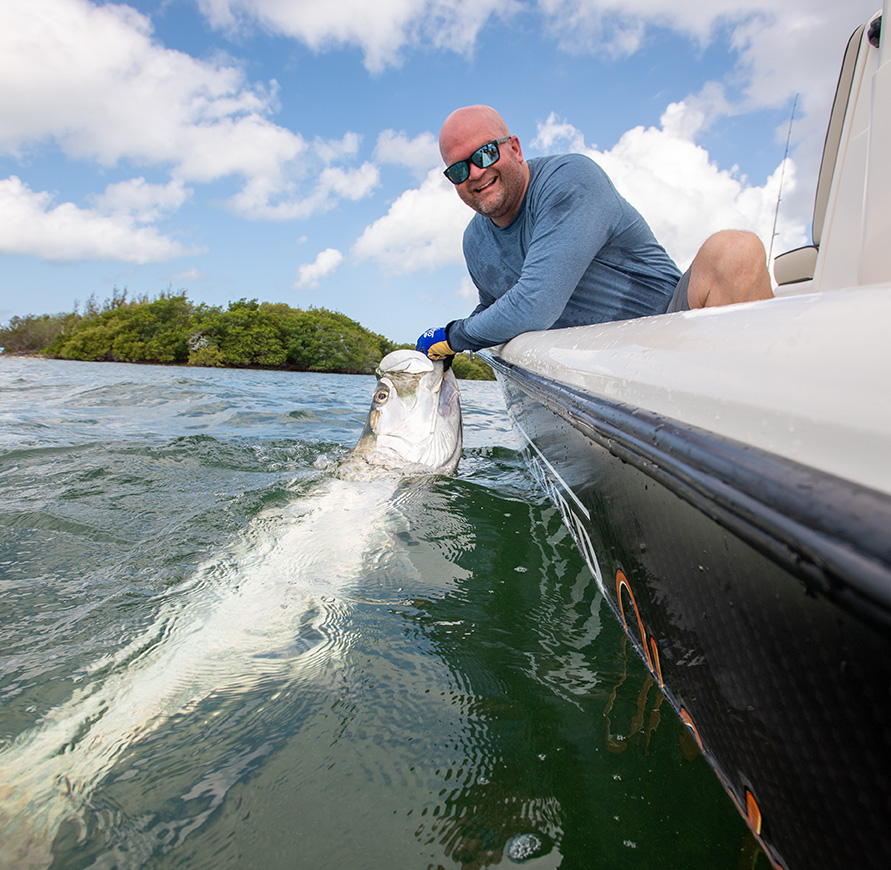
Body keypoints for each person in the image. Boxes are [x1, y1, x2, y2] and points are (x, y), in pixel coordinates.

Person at [416, 105, 773, 360]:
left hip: (672, 332)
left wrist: (453, 336)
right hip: (589, 364)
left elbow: (533, 307)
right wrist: (452, 345)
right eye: (458, 170)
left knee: (735, 249)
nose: (475, 174)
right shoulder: (473, 241)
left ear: (515, 149)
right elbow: (493, 306)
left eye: (485, 154)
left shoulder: (570, 179)